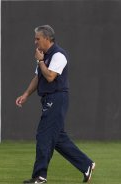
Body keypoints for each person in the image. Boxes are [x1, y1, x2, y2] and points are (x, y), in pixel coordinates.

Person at [15, 25, 95, 184]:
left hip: (57, 98)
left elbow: (50, 76)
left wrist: (40, 61)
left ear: (47, 38)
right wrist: (25, 94)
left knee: (44, 135)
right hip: (48, 99)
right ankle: (86, 164)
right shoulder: (44, 55)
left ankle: (40, 176)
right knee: (56, 138)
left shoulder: (59, 55)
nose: (35, 42)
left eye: (38, 38)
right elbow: (38, 78)